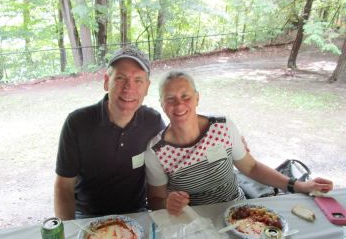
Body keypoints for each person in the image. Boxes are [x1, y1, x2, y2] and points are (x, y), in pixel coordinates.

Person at [145, 70, 334, 216]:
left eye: (185, 96)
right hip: (192, 222)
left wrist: (298, 185)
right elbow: (155, 200)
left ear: (197, 98)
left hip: (237, 212)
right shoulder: (157, 150)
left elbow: (251, 168)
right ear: (162, 105)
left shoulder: (222, 127)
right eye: (170, 99)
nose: (179, 105)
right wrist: (167, 203)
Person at [54, 45, 165, 220]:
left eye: (138, 80)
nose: (129, 87)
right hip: (87, 216)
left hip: (135, 213)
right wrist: (68, 232)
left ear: (147, 87)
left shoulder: (153, 122)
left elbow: (165, 174)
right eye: (120, 78)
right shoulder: (77, 123)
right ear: (106, 81)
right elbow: (63, 186)